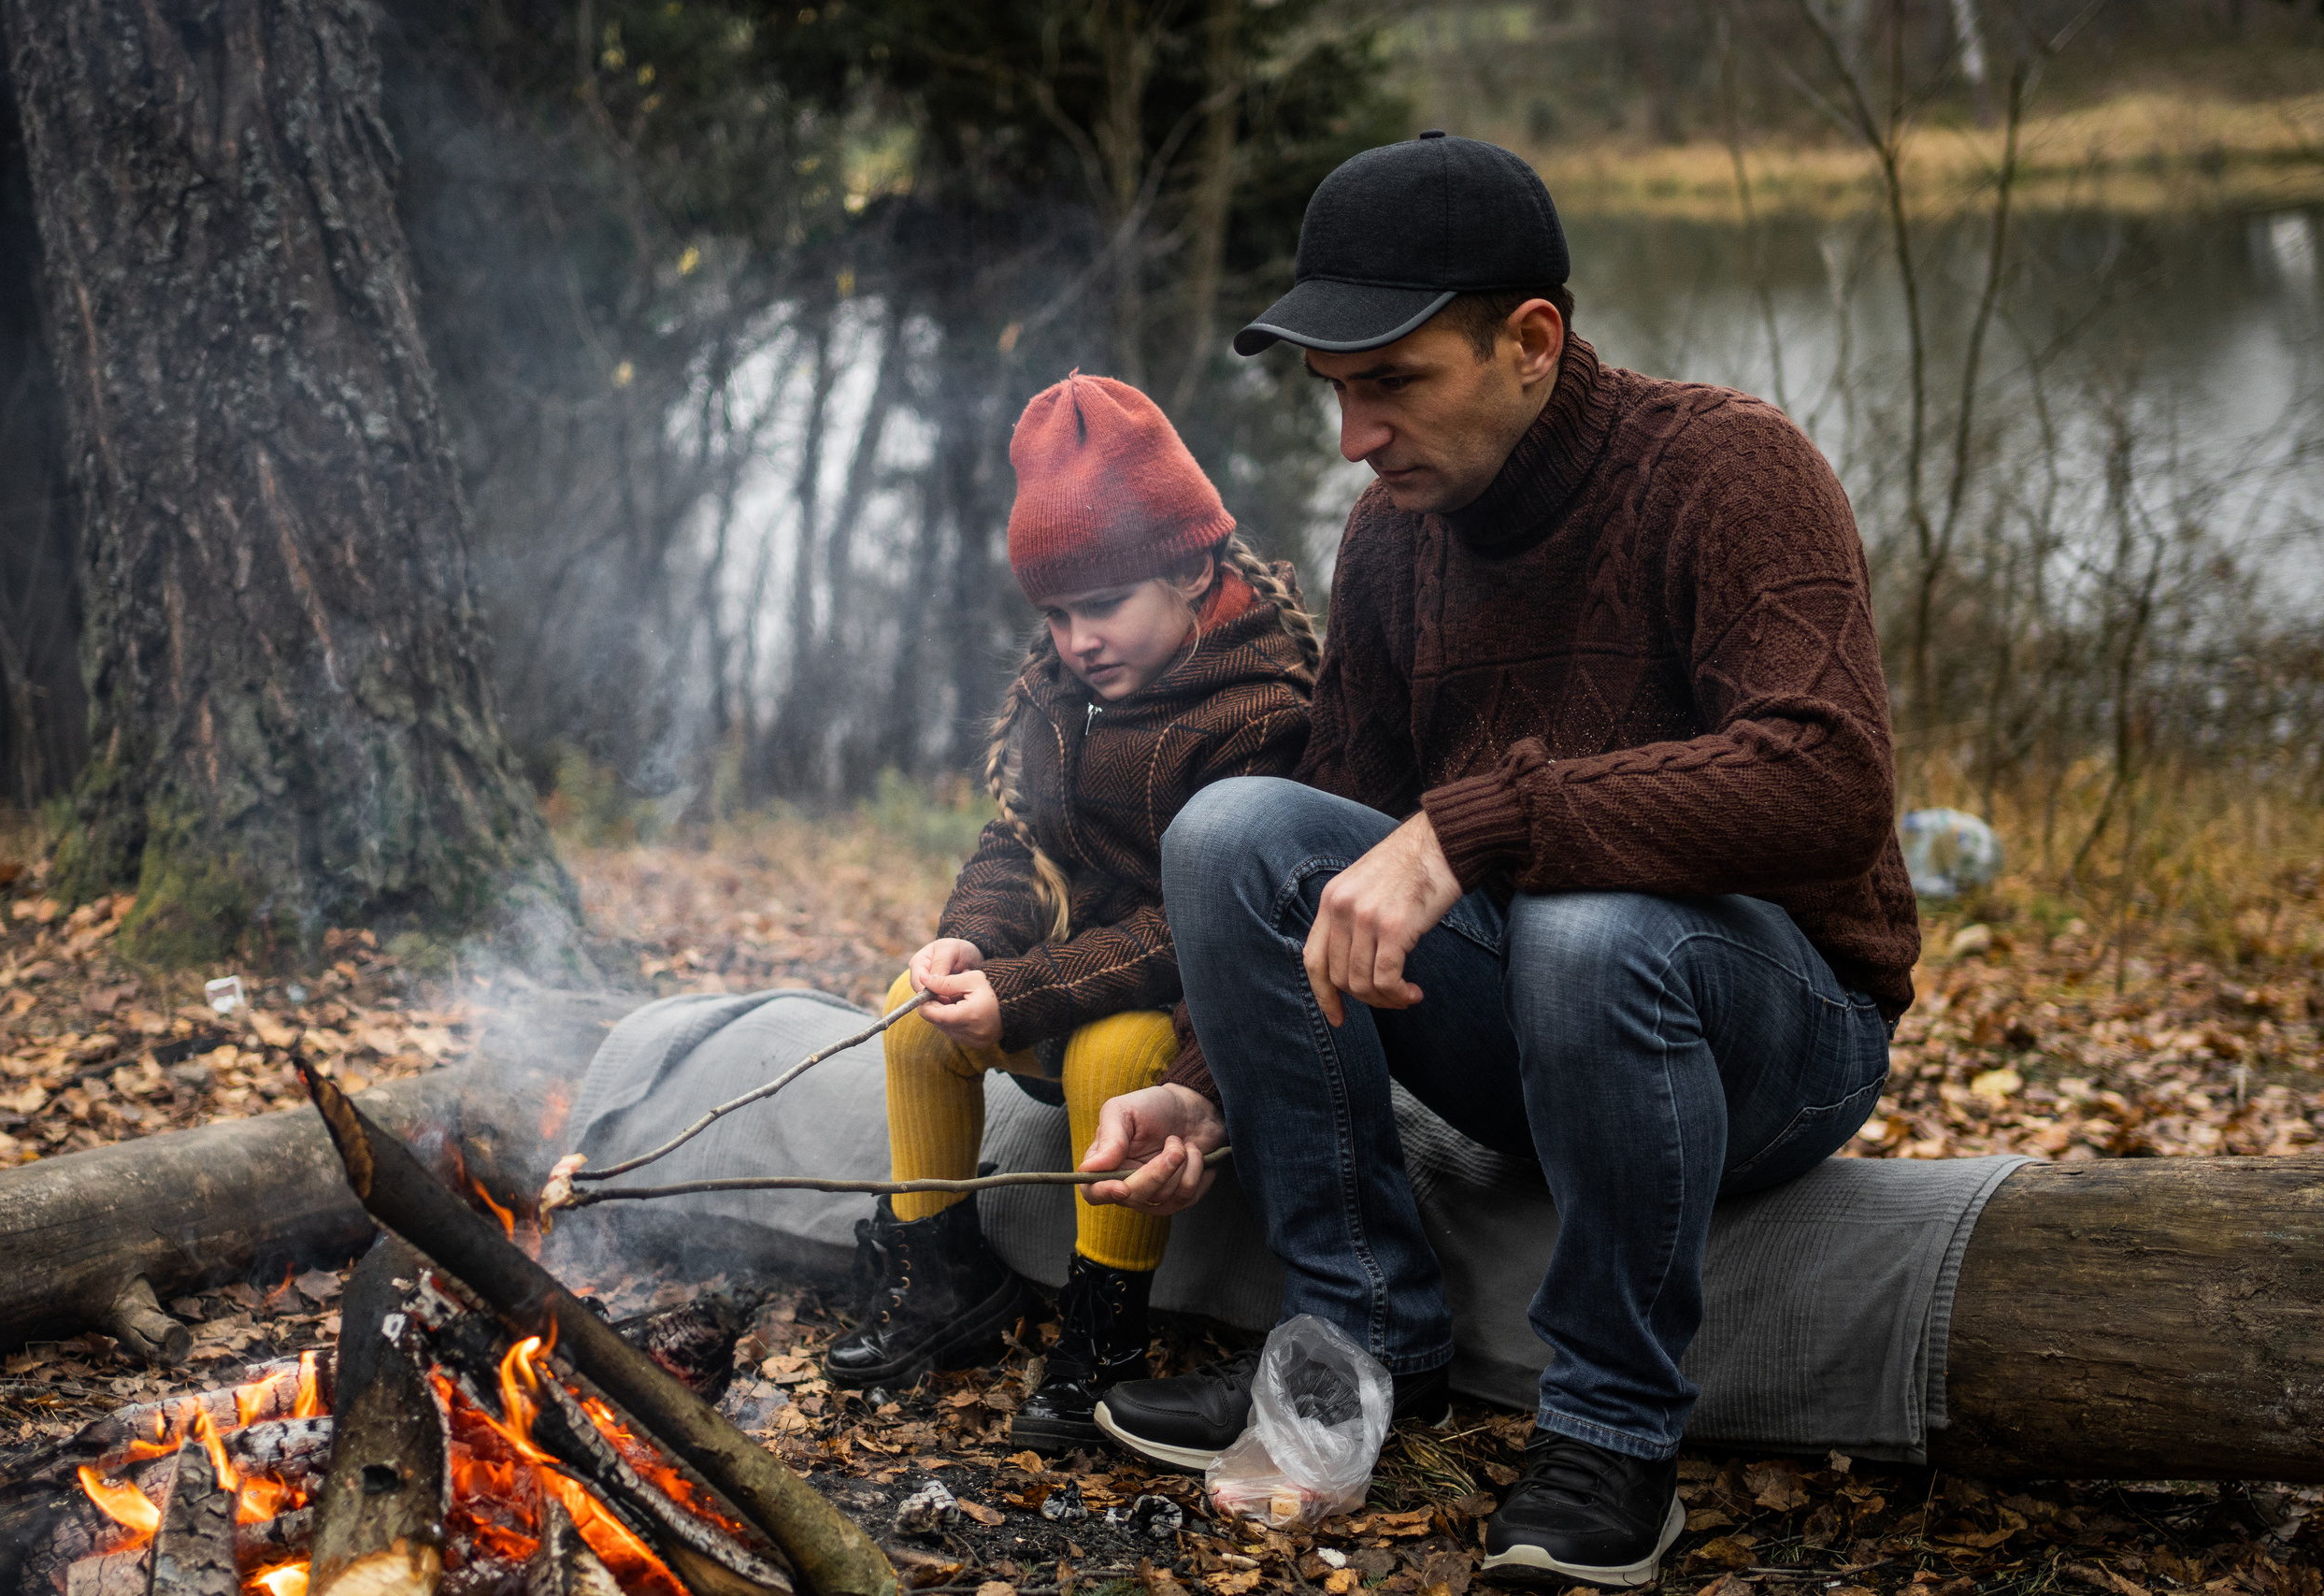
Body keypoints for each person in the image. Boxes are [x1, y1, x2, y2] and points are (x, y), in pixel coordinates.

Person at [1075, 134, 1920, 1586]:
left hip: (1777, 1035)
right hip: (1532, 1023)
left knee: (1593, 921)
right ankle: (1351, 1352)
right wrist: (1205, 1094)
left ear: (1532, 342)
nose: (1354, 435)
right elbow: (1326, 847)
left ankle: (1610, 1432)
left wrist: (1475, 825)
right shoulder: (1394, 542)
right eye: (1336, 393)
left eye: (1391, 382)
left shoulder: (1728, 468)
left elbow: (1827, 783)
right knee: (1233, 830)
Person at [822, 371, 1318, 1457]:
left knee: (1116, 1051)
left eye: (1103, 605)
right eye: (1055, 613)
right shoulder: (1060, 692)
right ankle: (941, 1274)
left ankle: (1104, 1330)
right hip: (1056, 975)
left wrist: (1027, 990)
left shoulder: (1260, 711)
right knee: (913, 1003)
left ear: (1191, 567)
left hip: (1194, 1025)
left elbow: (1197, 932)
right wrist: (976, 942)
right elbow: (1018, 841)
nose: (1078, 638)